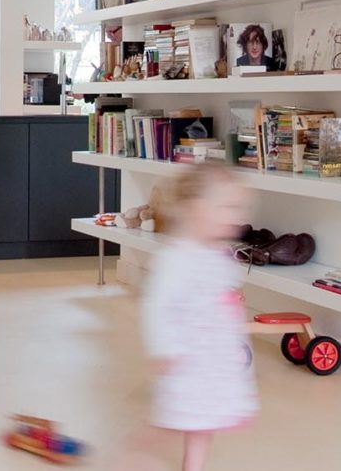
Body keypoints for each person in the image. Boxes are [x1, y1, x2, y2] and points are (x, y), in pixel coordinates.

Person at [110, 164, 259, 471]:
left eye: (238, 208)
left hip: (212, 361)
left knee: (204, 423)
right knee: (172, 423)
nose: (237, 217)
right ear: (196, 209)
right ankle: (128, 457)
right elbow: (157, 305)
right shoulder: (178, 258)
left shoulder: (217, 254)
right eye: (227, 207)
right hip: (187, 361)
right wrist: (164, 348)